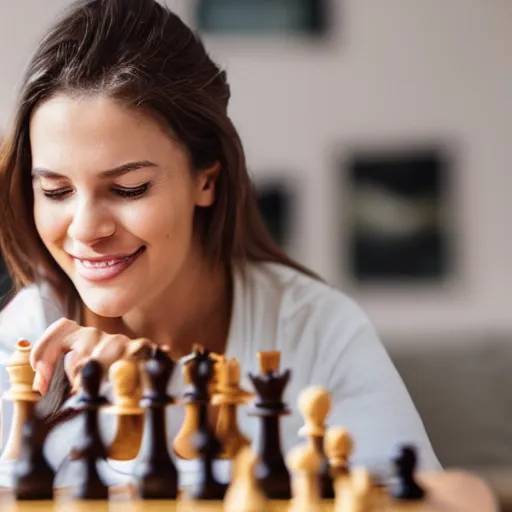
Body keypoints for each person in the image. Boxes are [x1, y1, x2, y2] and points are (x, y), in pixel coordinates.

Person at [0, 0, 440, 484]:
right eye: (56, 191)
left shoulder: (314, 329)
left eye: (129, 189)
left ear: (205, 180)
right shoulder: (26, 337)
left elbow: (436, 497)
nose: (85, 229)